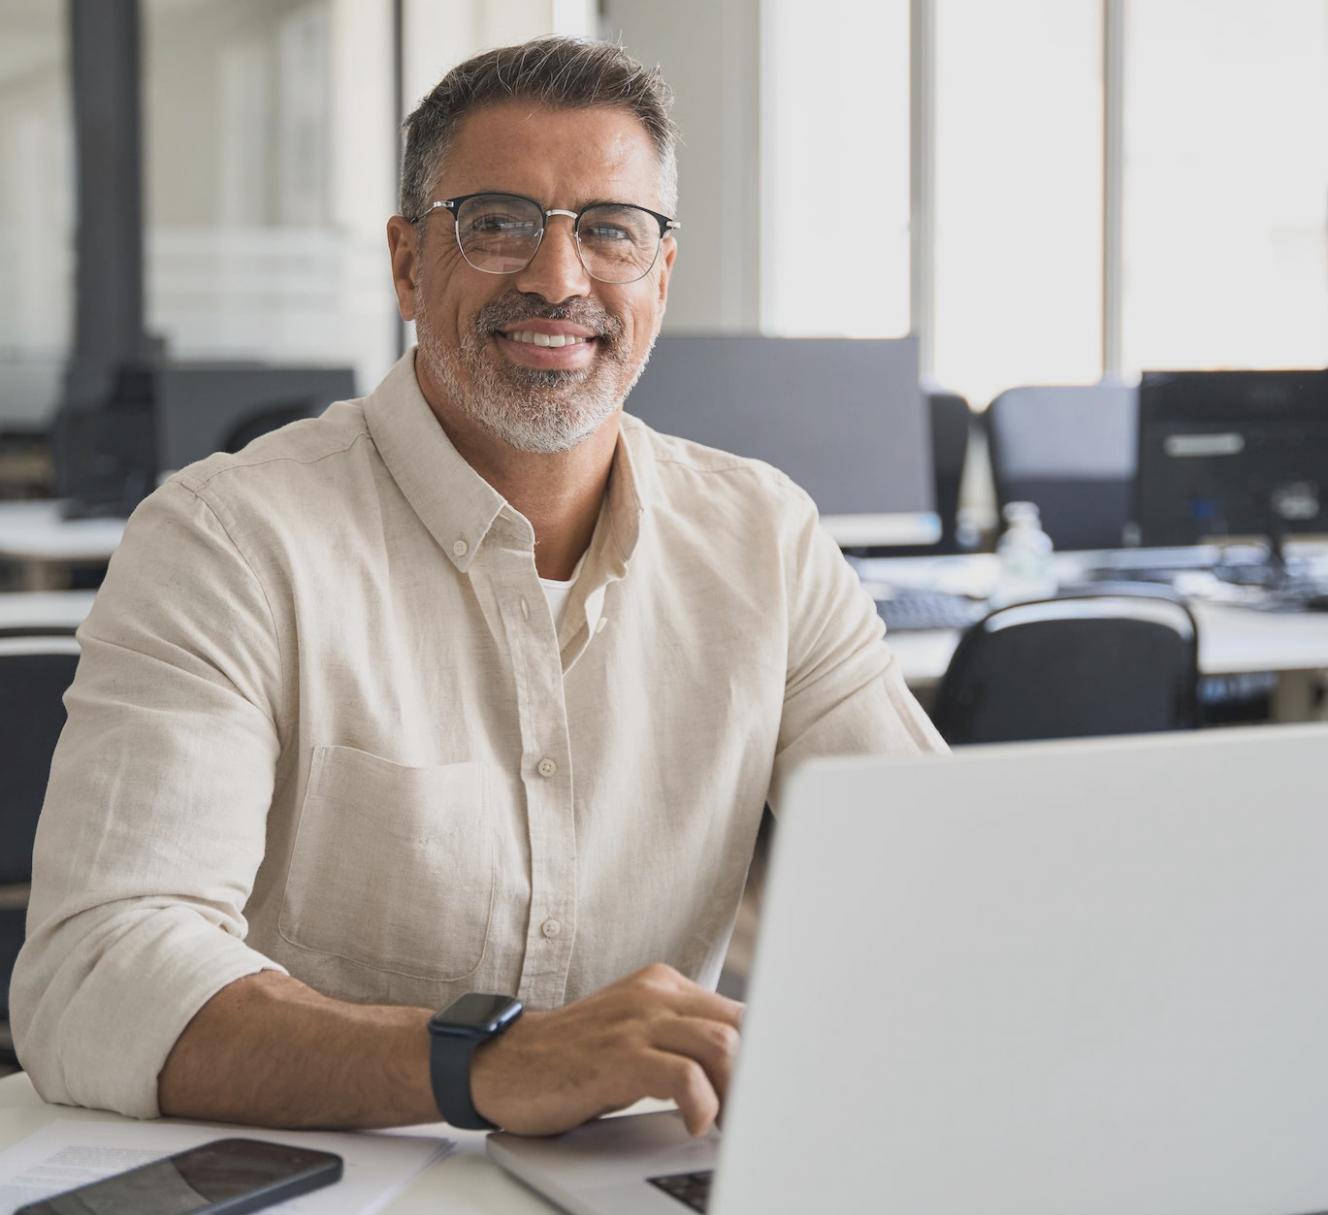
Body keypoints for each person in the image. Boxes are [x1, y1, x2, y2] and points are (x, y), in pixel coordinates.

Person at [11, 37, 943, 1137]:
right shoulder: (226, 542)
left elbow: (938, 878)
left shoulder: (765, 541)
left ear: (659, 274)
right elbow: (97, 975)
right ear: (409, 265)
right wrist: (482, 1064)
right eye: (497, 224)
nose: (559, 279)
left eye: (610, 230)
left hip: (632, 1177)